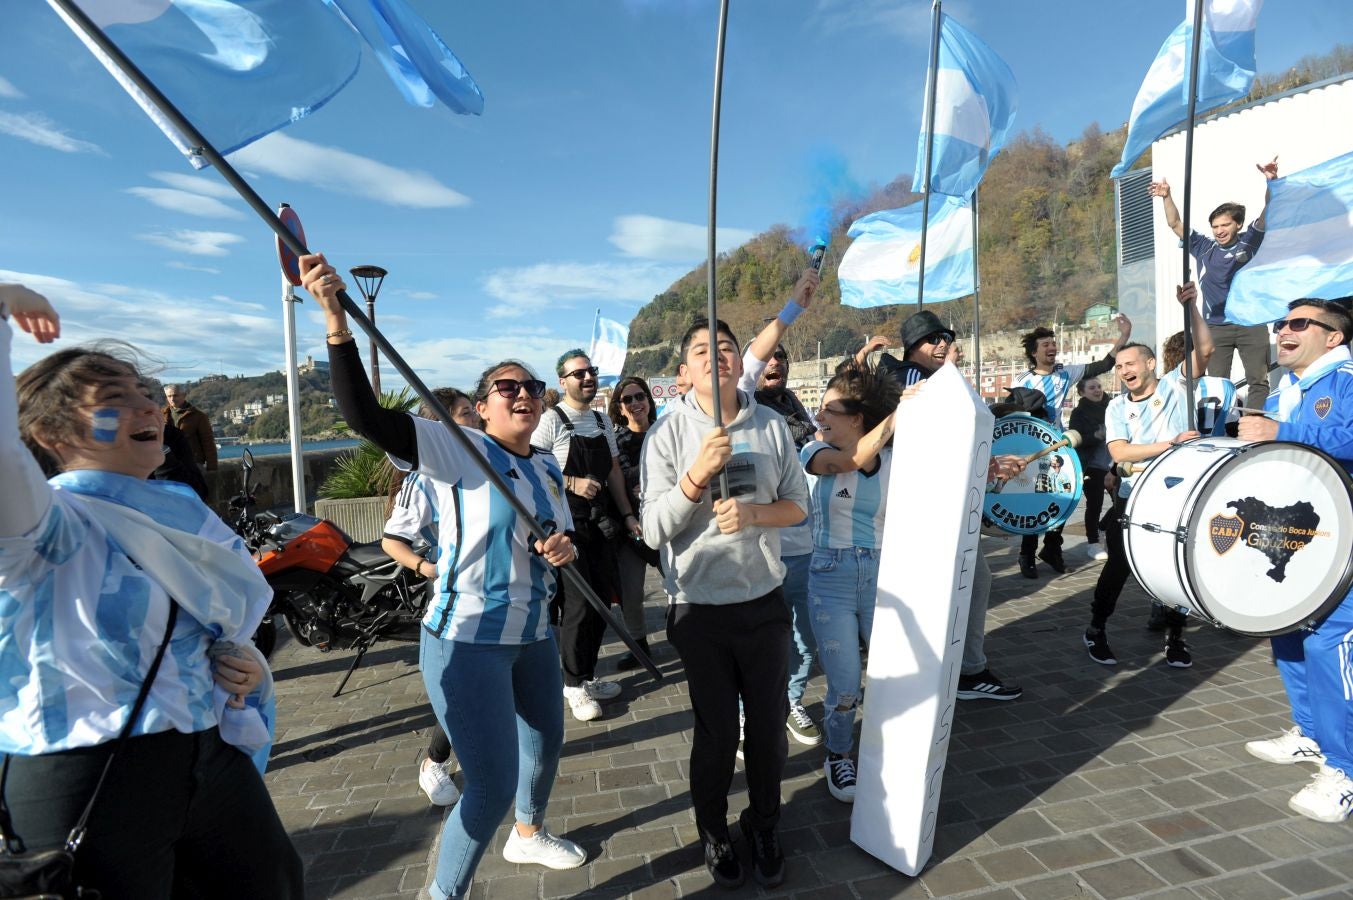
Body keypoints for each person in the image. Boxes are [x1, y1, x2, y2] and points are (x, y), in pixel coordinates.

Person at [0, 284, 301, 899]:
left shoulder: (172, 509)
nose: (148, 408)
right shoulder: (42, 526)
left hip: (201, 753)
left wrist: (237, 667)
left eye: (145, 393)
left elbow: (193, 627)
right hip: (87, 776)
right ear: (51, 433)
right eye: (117, 399)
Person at [301, 257, 586, 899]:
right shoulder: (458, 450)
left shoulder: (544, 470)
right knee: (486, 784)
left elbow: (556, 545)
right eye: (505, 388)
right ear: (482, 409)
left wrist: (563, 552)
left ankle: (529, 835)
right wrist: (335, 322)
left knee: (544, 750)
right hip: (466, 640)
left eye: (532, 387)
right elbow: (365, 417)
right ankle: (442, 894)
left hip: (534, 636)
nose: (522, 394)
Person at [640, 317, 808, 889]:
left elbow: (797, 506)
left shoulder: (771, 426)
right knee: (715, 734)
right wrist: (696, 477)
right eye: (700, 351)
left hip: (763, 602)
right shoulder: (665, 436)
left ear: (742, 361)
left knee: (767, 729)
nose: (716, 356)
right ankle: (712, 829)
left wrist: (756, 514)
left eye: (727, 348)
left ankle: (763, 822)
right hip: (698, 608)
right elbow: (651, 530)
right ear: (684, 372)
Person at [1238, 297, 1353, 824]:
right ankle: (1310, 732)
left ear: (1333, 336)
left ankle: (1345, 770)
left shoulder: (1346, 377)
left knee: (1330, 645)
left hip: (1345, 537)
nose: (1284, 330)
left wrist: (1280, 432)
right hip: (1304, 533)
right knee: (1288, 629)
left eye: (1299, 323)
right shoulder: (1290, 387)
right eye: (1282, 323)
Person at [877, 310, 1024, 704]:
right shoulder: (911, 377)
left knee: (971, 580)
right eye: (932, 339)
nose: (942, 344)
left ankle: (953, 668)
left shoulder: (918, 377)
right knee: (971, 580)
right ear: (912, 349)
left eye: (946, 337)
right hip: (926, 508)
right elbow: (935, 428)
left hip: (927, 504)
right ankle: (966, 672)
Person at [1085, 284, 1211, 671]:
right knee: (1119, 564)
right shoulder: (1117, 408)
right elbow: (1120, 452)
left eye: (1131, 364)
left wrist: (1191, 307)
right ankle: (1096, 629)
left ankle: (1176, 636)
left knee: (1172, 565)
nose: (1124, 372)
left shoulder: (1176, 386)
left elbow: (1204, 349)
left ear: (1151, 363)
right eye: (1120, 367)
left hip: (1176, 495)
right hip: (1132, 494)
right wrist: (1170, 444)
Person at [800, 363, 899, 802]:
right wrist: (899, 416)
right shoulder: (813, 453)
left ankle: (887, 749)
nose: (818, 416)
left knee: (892, 675)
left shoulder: (900, 462)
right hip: (830, 577)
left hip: (884, 575)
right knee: (845, 683)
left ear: (857, 417)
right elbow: (849, 462)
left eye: (828, 409)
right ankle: (839, 754)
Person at [736, 268, 824, 748]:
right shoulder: (743, 403)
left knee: (806, 644)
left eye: (783, 361)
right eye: (770, 358)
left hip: (806, 547)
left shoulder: (796, 408)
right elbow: (750, 361)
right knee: (763, 644)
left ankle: (790, 701)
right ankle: (753, 712)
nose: (777, 365)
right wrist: (792, 310)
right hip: (761, 549)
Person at [380, 387, 479, 808]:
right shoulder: (424, 480)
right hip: (456, 600)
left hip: (502, 597)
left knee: (490, 688)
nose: (475, 419)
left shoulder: (490, 462)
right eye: (465, 414)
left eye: (475, 411)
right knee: (464, 689)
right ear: (437, 426)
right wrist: (428, 568)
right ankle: (435, 761)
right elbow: (392, 540)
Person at [532, 350, 640, 722]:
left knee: (602, 602)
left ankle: (588, 675)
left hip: (602, 524)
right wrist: (571, 482)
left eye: (590, 371)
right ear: (562, 382)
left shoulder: (600, 420)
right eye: (578, 374)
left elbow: (613, 473)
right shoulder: (550, 421)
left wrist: (626, 514)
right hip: (566, 527)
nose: (587, 378)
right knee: (578, 605)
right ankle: (572, 684)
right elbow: (531, 472)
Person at [1150, 157, 1278, 409]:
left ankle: (1253, 427)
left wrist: (1271, 182)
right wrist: (1166, 196)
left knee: (1258, 382)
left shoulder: (1250, 240)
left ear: (1238, 224)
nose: (1219, 231)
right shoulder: (1204, 247)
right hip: (1216, 327)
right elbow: (1175, 223)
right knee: (1217, 383)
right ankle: (1222, 428)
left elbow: (1268, 211)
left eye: (1225, 225)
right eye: (1215, 226)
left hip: (1250, 322)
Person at [1011, 313, 1132, 577]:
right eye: (1046, 345)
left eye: (1053, 344)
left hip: (1059, 447)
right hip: (1032, 448)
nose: (1052, 348)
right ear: (1034, 352)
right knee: (1033, 502)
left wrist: (1124, 335)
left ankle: (1052, 549)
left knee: (1064, 497)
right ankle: (1026, 554)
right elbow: (1015, 415)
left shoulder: (1066, 373)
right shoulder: (1022, 380)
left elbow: (1104, 364)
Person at [606, 375, 659, 671]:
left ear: (649, 401)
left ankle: (687, 635)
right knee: (631, 593)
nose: (636, 403)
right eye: (628, 399)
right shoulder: (617, 441)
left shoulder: (666, 432)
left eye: (640, 396)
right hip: (632, 527)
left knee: (680, 585)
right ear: (620, 407)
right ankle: (639, 646)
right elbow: (621, 478)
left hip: (669, 524)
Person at [1069, 377, 1112, 562]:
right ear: (1082, 392)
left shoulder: (1112, 408)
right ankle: (1093, 543)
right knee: (1095, 504)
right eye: (1092, 387)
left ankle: (1102, 528)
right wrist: (1096, 436)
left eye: (1099, 386)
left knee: (1123, 504)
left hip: (1113, 464)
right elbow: (1076, 440)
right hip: (1092, 465)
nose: (1097, 390)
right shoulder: (1078, 413)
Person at [162, 382, 218, 472]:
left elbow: (208, 443)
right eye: (169, 396)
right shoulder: (161, 415)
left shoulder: (198, 416)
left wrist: (212, 468)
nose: (172, 399)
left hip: (193, 464)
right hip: (168, 464)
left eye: (175, 395)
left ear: (184, 395)